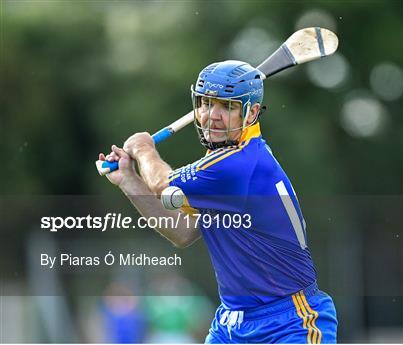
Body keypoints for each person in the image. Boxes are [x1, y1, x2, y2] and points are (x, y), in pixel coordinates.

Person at [98, 60, 338, 344]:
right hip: (231, 324)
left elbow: (163, 184)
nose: (212, 115)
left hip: (288, 323)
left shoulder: (240, 163)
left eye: (227, 107)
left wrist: (143, 149)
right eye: (206, 103)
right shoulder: (219, 168)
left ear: (252, 114)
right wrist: (128, 178)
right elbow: (183, 232)